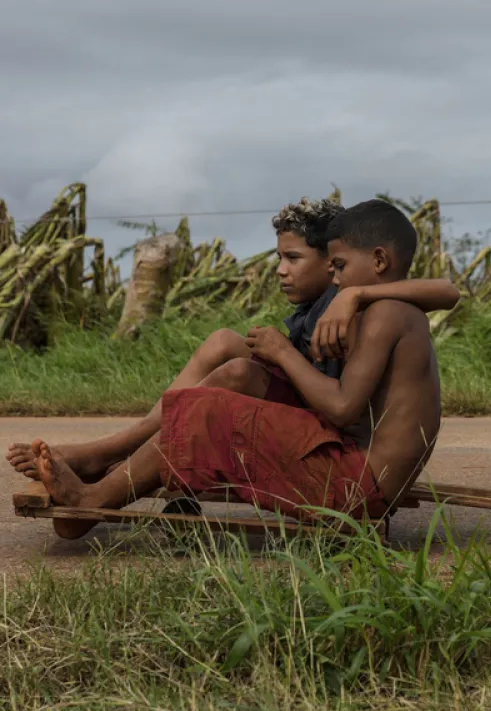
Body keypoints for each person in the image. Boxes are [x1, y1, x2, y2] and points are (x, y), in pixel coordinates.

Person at [28, 199, 444, 539]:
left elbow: (341, 409)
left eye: (338, 266)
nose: (335, 280)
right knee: (213, 397)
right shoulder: (387, 308)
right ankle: (108, 482)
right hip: (359, 475)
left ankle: (93, 499)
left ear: (378, 260)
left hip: (359, 488)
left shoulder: (387, 313)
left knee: (207, 410)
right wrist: (351, 299)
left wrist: (284, 353)